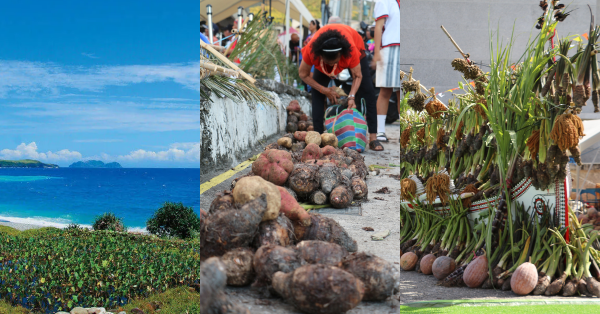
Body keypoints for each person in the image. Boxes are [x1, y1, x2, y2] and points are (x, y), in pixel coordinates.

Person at [299, 24, 384, 151]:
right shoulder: (311, 50)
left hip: (352, 44)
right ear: (320, 56)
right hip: (323, 57)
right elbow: (303, 74)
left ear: (341, 54)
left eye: (335, 62)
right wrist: (324, 89)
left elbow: (357, 76)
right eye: (329, 63)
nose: (333, 65)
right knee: (317, 94)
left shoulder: (351, 50)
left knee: (368, 91)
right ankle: (317, 137)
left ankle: (373, 138)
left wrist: (351, 96)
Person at [372, 0, 400, 143]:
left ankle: (405, 132)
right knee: (385, 90)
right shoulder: (384, 1)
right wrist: (376, 52)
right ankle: (380, 131)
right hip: (389, 48)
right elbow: (378, 26)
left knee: (403, 92)